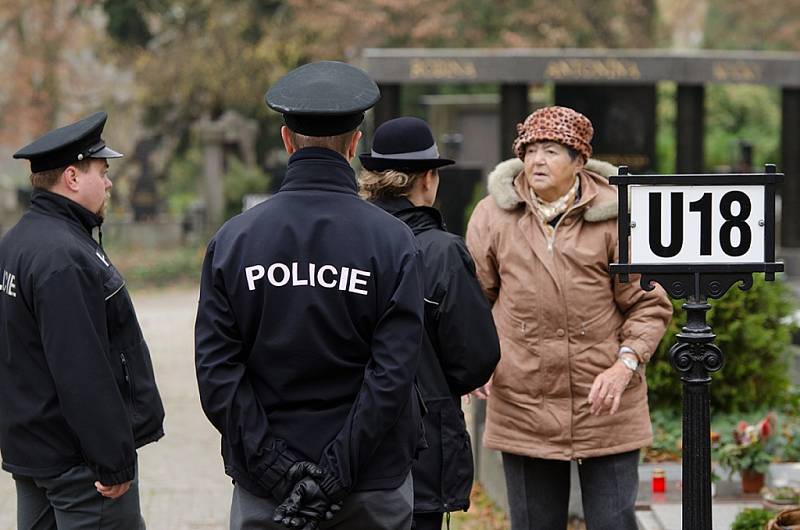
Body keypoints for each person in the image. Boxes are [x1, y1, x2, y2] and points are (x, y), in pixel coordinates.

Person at [194, 61, 425, 530]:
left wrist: (276, 469)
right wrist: (338, 472)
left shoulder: (234, 241)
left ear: (285, 139)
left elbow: (218, 371)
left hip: (266, 487)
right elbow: (392, 372)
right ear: (355, 144)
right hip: (370, 483)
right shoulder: (393, 240)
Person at [465, 106, 673, 530]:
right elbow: (473, 301)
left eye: (552, 150)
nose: (538, 160)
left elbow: (648, 303)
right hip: (523, 402)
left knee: (613, 522)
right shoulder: (493, 215)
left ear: (579, 161)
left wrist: (624, 365)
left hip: (607, 403)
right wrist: (474, 357)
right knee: (533, 523)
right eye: (531, 149)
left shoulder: (618, 216)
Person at [0, 111, 165, 529]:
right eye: (102, 171)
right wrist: (113, 460)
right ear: (72, 177)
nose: (109, 183)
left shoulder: (19, 241)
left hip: (36, 451)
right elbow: (81, 368)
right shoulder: (63, 257)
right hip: (80, 467)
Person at [358, 117, 501, 530]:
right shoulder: (441, 252)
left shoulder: (348, 240)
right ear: (428, 179)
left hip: (344, 438)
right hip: (420, 443)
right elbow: (476, 357)